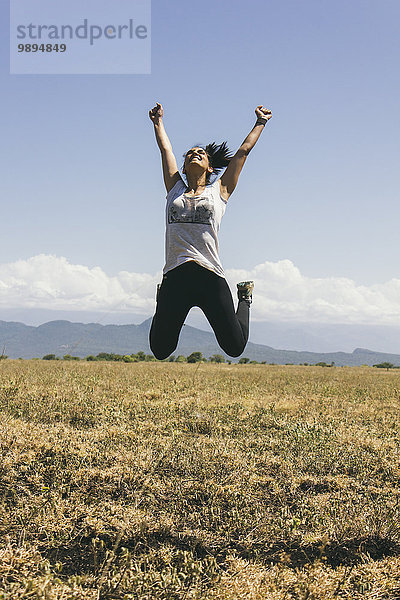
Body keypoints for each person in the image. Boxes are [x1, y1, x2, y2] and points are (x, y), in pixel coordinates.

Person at [148, 102, 272, 360]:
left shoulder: (220, 191)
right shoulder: (175, 189)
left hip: (209, 276)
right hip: (176, 275)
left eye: (200, 153)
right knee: (160, 350)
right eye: (190, 153)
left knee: (234, 347)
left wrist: (260, 123)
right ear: (182, 168)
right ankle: (162, 300)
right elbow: (165, 150)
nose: (195, 154)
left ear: (209, 167)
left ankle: (245, 298)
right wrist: (158, 122)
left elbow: (242, 153)